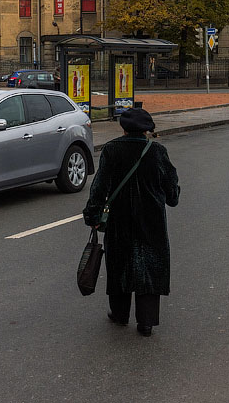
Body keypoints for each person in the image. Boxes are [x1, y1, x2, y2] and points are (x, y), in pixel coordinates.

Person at [83, 108, 180, 337]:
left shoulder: (112, 150)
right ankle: (146, 322)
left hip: (120, 218)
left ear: (124, 128)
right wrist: (171, 195)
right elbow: (172, 192)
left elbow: (99, 187)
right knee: (150, 266)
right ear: (148, 129)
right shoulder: (158, 152)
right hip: (152, 219)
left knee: (119, 265)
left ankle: (120, 314)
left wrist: (93, 216)